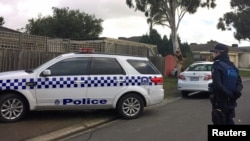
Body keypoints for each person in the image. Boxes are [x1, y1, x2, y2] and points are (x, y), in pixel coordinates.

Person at [209, 43, 243, 125]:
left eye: (214, 52)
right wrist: (235, 93)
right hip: (231, 101)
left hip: (220, 101)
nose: (213, 54)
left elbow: (217, 84)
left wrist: (228, 94)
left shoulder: (217, 65)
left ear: (219, 53)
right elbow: (239, 83)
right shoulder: (232, 66)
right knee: (229, 120)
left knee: (220, 121)